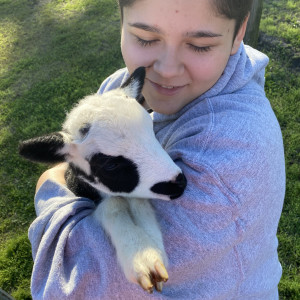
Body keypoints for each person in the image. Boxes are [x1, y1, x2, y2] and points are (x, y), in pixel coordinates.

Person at [29, 0, 285, 299]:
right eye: (145, 39)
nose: (166, 70)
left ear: (239, 32)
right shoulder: (123, 87)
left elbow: (72, 286)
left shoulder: (226, 157)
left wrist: (49, 185)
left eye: (200, 45)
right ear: (122, 21)